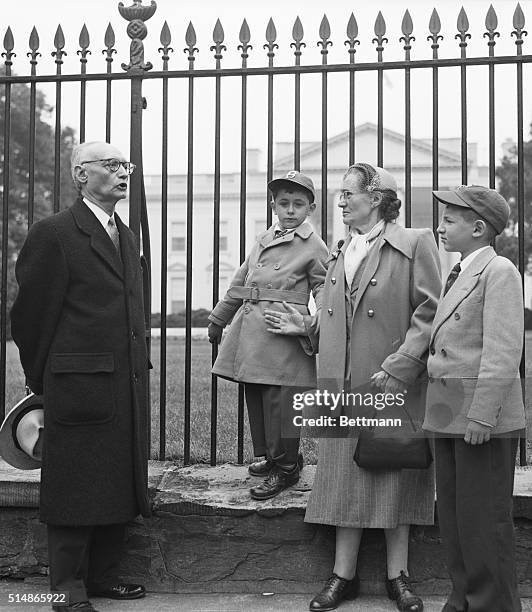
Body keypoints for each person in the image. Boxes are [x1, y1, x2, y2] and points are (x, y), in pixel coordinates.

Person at [268, 163, 441, 612]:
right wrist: (304, 325)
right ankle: (341, 577)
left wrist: (400, 366)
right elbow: (335, 317)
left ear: (377, 196)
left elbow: (430, 311)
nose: (340, 201)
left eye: (347, 194)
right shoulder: (343, 249)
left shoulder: (414, 242)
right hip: (341, 385)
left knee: (394, 475)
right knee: (344, 478)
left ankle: (398, 578)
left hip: (390, 382)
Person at [10, 141, 150, 612]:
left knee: (115, 479)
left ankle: (103, 577)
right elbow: (30, 316)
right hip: (75, 385)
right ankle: (65, 591)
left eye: (124, 165)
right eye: (110, 165)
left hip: (122, 383)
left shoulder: (124, 234)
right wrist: (41, 381)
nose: (122, 172)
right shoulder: (54, 233)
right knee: (74, 487)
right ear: (80, 176)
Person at [424, 185, 525, 612]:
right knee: (455, 519)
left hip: (479, 420)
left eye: (449, 220)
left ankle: (492, 605)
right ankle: (462, 599)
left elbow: (503, 352)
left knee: (483, 522)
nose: (440, 227)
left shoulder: (499, 270)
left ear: (479, 228)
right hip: (448, 414)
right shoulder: (462, 272)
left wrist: (483, 416)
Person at [208, 170, 328, 500]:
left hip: (284, 334)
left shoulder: (314, 246)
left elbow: (327, 290)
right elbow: (241, 281)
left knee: (282, 405)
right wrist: (219, 317)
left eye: (298, 204)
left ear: (311, 208)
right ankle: (277, 459)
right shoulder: (264, 238)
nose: (290, 210)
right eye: (284, 203)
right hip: (253, 334)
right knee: (259, 399)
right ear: (274, 205)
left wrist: (309, 325)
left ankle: (287, 468)